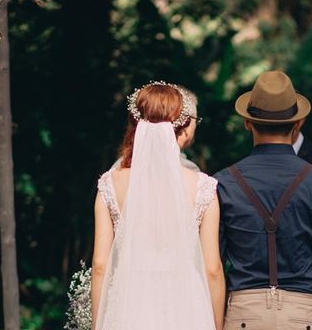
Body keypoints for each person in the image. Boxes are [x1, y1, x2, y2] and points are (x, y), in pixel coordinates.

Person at [215, 70, 312, 330]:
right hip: (304, 313)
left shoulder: (223, 183)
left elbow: (214, 264)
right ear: (297, 124)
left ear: (247, 123)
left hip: (243, 312)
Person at [91, 82, 225, 330]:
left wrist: (97, 324)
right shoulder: (203, 187)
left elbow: (100, 265)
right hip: (186, 307)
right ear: (182, 128)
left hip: (129, 306)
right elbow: (212, 269)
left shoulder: (110, 184)